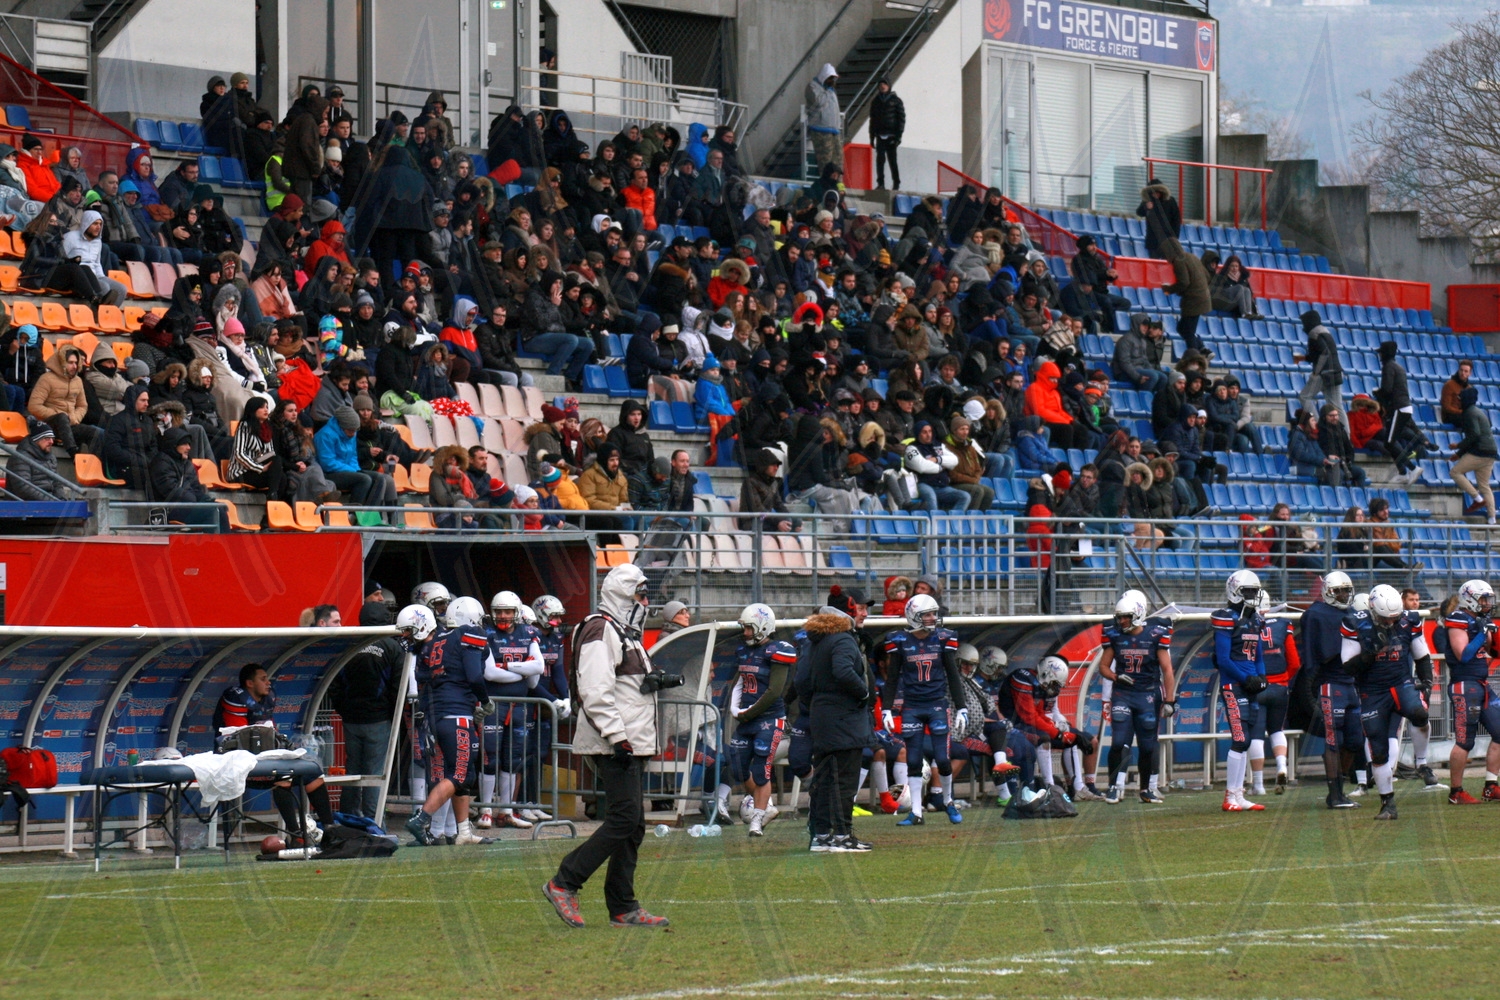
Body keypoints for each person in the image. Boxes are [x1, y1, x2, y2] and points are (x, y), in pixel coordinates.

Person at [544, 563, 671, 929]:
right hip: (616, 741)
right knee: (625, 818)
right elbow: (595, 690)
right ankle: (565, 881)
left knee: (633, 824)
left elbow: (618, 685)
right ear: (623, 594)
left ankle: (623, 906)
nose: (645, 602)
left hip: (626, 739)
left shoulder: (619, 630)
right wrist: (618, 737)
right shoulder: (602, 629)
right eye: (640, 594)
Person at [215, 662, 337, 841]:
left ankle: (330, 829)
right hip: (238, 761)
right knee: (283, 774)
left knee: (313, 773)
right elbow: (239, 738)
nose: (268, 683)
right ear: (249, 683)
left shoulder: (267, 698)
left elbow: (271, 731)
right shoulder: (236, 698)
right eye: (263, 679)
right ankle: (296, 835)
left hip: (265, 757)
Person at [404, 595, 491, 847]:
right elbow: (474, 676)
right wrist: (484, 701)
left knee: (455, 774)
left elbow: (425, 679)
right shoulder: (467, 634)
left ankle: (462, 831)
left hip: (435, 716)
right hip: (456, 715)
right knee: (460, 774)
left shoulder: (435, 642)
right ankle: (422, 818)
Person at [1342, 584, 1432, 821]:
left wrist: (1427, 681)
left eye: (1395, 617)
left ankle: (1421, 763)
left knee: (1420, 714)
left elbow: (1422, 654)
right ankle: (1387, 803)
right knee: (1378, 748)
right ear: (1373, 611)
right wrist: (1369, 654)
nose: (1391, 622)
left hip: (1401, 683)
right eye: (1386, 618)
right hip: (1372, 691)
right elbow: (1348, 666)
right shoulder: (1355, 623)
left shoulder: (1409, 620)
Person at [800, 604, 876, 853]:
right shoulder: (842, 639)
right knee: (844, 780)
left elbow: (801, 680)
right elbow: (843, 671)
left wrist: (815, 703)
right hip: (845, 718)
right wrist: (864, 693)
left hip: (821, 716)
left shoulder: (813, 643)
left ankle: (821, 836)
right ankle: (843, 835)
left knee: (823, 780)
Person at [886, 594, 966, 826]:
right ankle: (916, 812)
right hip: (912, 706)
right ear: (914, 616)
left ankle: (948, 801)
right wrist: (887, 709)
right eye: (927, 614)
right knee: (913, 760)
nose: (933, 618)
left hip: (936, 704)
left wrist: (961, 707)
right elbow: (892, 678)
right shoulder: (899, 640)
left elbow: (953, 675)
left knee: (942, 759)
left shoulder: (943, 638)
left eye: (934, 613)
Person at [327, 599, 404, 821]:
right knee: (375, 773)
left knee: (352, 769)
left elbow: (334, 683)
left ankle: (347, 817)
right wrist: (390, 713)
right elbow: (398, 687)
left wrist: (344, 709)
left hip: (351, 719)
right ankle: (373, 821)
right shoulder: (392, 647)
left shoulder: (349, 644)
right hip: (379, 719)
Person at [477, 590, 548, 831]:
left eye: (508, 611)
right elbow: (490, 673)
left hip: (519, 705)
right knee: (490, 758)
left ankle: (506, 811)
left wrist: (506, 665)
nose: (503, 616)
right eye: (499, 611)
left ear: (516, 612)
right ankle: (485, 810)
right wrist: (522, 670)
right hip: (494, 704)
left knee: (513, 759)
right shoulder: (486, 633)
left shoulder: (528, 632)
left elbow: (538, 666)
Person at [1097, 591, 1175, 805]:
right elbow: (1103, 666)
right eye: (1119, 617)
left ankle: (1145, 789)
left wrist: (1170, 700)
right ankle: (1113, 787)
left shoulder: (1156, 635)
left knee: (1148, 746)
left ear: (1138, 615)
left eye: (1126, 616)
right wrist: (1115, 677)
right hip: (1123, 694)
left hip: (1148, 695)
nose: (1122, 621)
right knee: (1119, 742)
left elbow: (1167, 670)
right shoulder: (1114, 635)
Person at [725, 604, 796, 838]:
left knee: (761, 769)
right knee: (737, 766)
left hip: (769, 718)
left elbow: (774, 691)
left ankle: (757, 819)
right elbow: (740, 682)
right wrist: (736, 708)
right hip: (748, 718)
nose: (745, 632)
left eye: (749, 628)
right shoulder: (744, 651)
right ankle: (766, 806)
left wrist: (748, 713)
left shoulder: (777, 650)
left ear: (763, 627)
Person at [1300, 570, 1363, 809]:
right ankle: (1335, 793)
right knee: (1334, 740)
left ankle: (1339, 787)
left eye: (1347, 590)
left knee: (1355, 740)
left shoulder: (1352, 612)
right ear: (1327, 592)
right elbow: (1319, 656)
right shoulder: (1316, 614)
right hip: (1331, 683)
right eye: (1339, 591)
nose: (1344, 595)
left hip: (1351, 683)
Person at [1211, 570, 1269, 813]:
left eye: (1255, 591)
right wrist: (1246, 679)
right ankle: (1229, 796)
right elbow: (1223, 659)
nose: (1253, 595)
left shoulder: (1255, 619)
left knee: (1247, 740)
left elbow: (1258, 655)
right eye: (1248, 591)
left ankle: (1239, 794)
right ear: (1235, 591)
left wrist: (1261, 677)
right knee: (1240, 739)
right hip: (1233, 685)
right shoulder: (1227, 618)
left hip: (1249, 684)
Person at [1441, 580, 1500, 804]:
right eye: (1483, 599)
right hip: (1465, 685)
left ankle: (1491, 786)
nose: (1487, 603)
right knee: (1465, 741)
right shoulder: (1458, 618)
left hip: (1481, 684)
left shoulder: (1480, 619)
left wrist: (1492, 636)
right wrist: (1482, 632)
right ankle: (1456, 792)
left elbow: (1492, 651)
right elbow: (1463, 655)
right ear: (1470, 599)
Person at [1250, 591, 1301, 797]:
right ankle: (1281, 767)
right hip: (1280, 687)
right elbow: (1294, 662)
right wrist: (1284, 679)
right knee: (1277, 730)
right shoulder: (1282, 624)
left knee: (1256, 735)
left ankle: (1258, 785)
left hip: (1257, 686)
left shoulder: (1246, 624)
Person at [1451, 384, 1497, 523]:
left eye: (1460, 399)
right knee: (1484, 486)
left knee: (1455, 472)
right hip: (1491, 453)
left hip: (1480, 452)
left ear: (1465, 400)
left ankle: (1477, 499)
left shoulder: (1469, 413)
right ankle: (1492, 519)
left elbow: (1474, 436)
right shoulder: (1477, 411)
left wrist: (1458, 446)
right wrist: (1459, 454)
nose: (1458, 401)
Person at [1160, 237, 1210, 356]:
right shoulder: (1192, 257)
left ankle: (1195, 357)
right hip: (1203, 298)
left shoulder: (1179, 261)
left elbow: (1184, 283)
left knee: (1187, 331)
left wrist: (1169, 289)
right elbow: (1207, 276)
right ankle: (1203, 349)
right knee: (1182, 328)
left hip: (1193, 301)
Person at [1296, 310, 1344, 418]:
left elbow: (1324, 353)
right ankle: (1345, 429)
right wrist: (1304, 358)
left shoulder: (1314, 334)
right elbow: (1319, 353)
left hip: (1323, 373)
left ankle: (1317, 423)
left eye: (1304, 322)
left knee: (1304, 397)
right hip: (1336, 371)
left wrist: (1316, 372)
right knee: (1337, 407)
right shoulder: (1326, 332)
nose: (1303, 325)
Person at [805, 63, 843, 174]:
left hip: (834, 129)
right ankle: (826, 182)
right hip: (820, 129)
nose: (832, 82)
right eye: (831, 78)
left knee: (838, 161)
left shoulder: (830, 90)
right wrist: (828, 90)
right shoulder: (812, 87)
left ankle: (838, 183)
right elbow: (819, 102)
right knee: (825, 162)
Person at [869, 77, 904, 190]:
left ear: (889, 86)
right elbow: (872, 120)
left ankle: (896, 182)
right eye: (880, 85)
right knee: (880, 160)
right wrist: (872, 137)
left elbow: (901, 119)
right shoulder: (875, 101)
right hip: (880, 135)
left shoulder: (896, 101)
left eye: (885, 84)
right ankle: (881, 183)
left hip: (892, 136)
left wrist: (898, 136)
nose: (882, 87)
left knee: (892, 161)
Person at [1136, 179, 1181, 259]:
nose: (1155, 194)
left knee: (1166, 263)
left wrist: (1174, 238)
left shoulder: (1170, 201)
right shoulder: (1147, 201)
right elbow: (1139, 212)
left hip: (1168, 240)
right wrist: (1146, 207)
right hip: (1153, 241)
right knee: (1154, 263)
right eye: (1153, 192)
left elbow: (1176, 220)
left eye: (1157, 192)